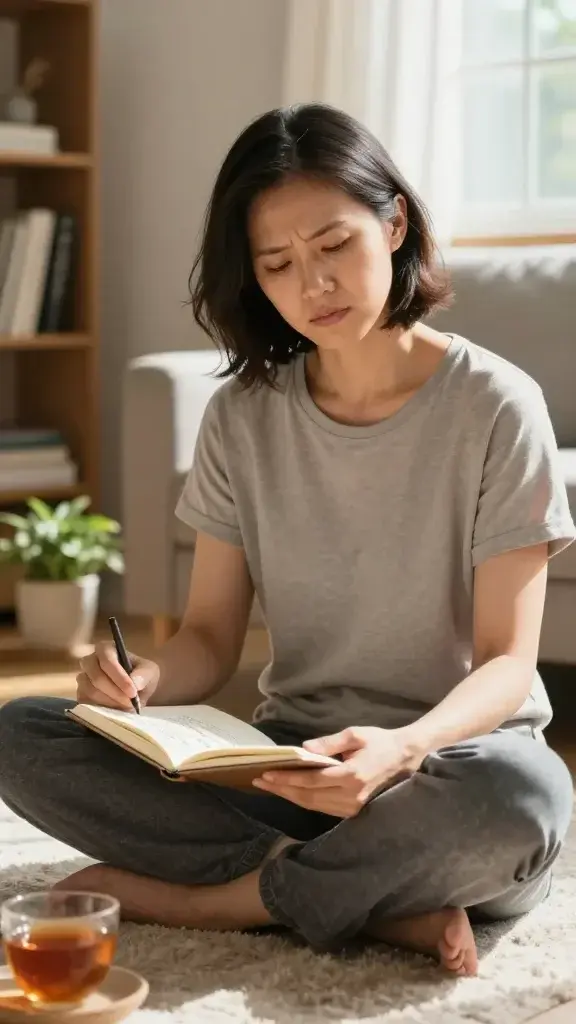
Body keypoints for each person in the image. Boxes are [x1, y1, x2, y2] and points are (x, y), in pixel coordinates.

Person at [0, 104, 574, 978]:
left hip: (446, 772)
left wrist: (401, 748)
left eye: (334, 245)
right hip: (286, 778)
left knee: (528, 796)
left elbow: (507, 662)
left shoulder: (497, 405)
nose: (315, 285)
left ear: (395, 222)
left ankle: (224, 901)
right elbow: (208, 638)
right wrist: (142, 682)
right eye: (279, 264)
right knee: (25, 733)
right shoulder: (242, 416)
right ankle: (376, 901)